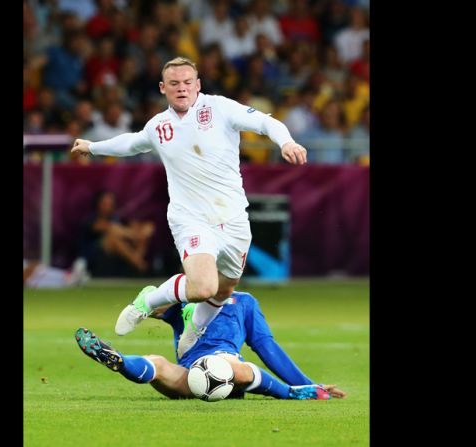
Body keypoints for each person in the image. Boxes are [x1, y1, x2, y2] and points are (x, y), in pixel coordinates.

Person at [70, 56, 308, 358]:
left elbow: (265, 122)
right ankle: (149, 301)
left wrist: (285, 142)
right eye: (174, 84)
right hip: (191, 218)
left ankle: (193, 324)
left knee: (223, 290)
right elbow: (131, 144)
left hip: (233, 217)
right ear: (162, 88)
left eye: (186, 83)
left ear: (198, 85)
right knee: (204, 286)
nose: (181, 89)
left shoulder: (219, 108)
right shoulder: (159, 126)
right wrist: (93, 146)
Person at [74, 290, 347, 400]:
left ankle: (292, 392)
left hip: (213, 373)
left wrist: (307, 383)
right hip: (197, 375)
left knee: (229, 366)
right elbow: (150, 298)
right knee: (159, 363)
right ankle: (120, 361)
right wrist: (148, 302)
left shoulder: (243, 302)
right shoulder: (189, 297)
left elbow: (266, 347)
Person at [79, 190, 155, 276]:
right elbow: (109, 228)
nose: (108, 206)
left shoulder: (115, 218)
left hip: (119, 256)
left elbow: (125, 230)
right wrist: (135, 235)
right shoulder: (92, 219)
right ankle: (139, 264)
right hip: (93, 256)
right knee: (112, 237)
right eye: (105, 203)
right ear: (98, 204)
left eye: (110, 203)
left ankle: (137, 264)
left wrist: (141, 232)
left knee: (146, 228)